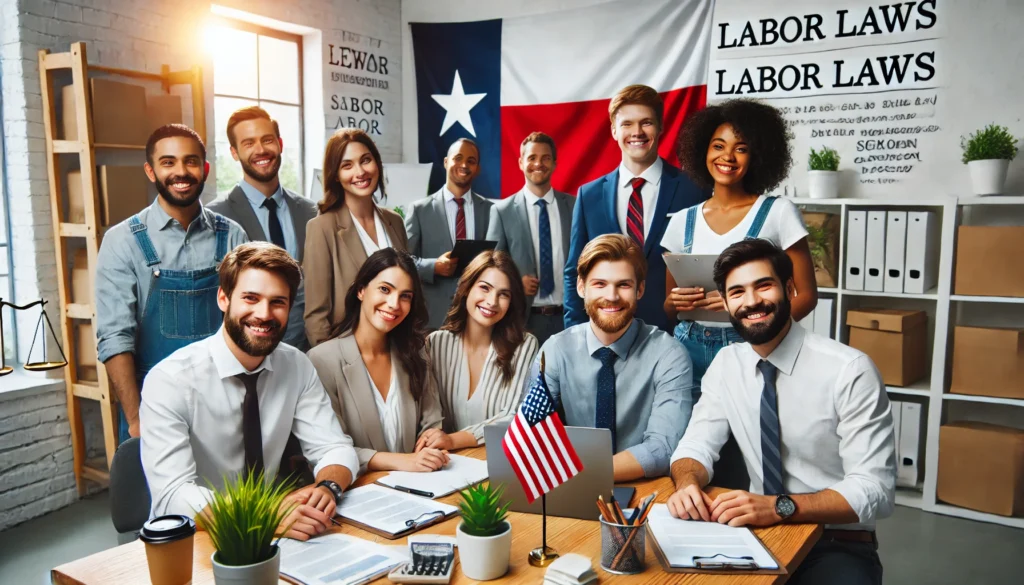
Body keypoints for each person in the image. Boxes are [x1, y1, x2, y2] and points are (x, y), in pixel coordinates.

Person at [667, 239, 895, 585]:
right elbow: (696, 445)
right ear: (726, 303)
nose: (752, 302)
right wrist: (687, 484)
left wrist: (778, 507)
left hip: (834, 542)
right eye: (737, 292)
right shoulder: (727, 365)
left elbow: (875, 489)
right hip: (756, 536)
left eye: (764, 285)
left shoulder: (850, 370)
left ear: (789, 289)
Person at [140, 242, 360, 542]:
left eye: (278, 302)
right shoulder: (169, 381)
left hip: (272, 537)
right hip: (196, 538)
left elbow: (334, 447)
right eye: (251, 298)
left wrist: (328, 488)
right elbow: (173, 496)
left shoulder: (296, 365)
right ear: (223, 298)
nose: (264, 314)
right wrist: (267, 514)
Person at [96, 124, 248, 443]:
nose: (181, 171)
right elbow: (114, 337)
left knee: (232, 493)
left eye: (191, 161)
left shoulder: (232, 236)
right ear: (151, 171)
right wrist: (137, 421)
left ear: (205, 169)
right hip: (153, 407)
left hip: (224, 401)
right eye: (168, 162)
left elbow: (246, 324)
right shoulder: (122, 241)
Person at [663, 98, 817, 397]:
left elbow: (807, 296)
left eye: (741, 148)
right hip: (687, 348)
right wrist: (679, 303)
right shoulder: (682, 222)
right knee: (691, 440)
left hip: (752, 344)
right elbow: (669, 308)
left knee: (753, 440)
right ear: (703, 151)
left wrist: (748, 311)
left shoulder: (778, 212)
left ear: (757, 156)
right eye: (718, 146)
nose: (728, 157)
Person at [534, 234, 693, 481]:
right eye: (599, 284)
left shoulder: (669, 354)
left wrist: (586, 472)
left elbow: (662, 448)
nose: (612, 296)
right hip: (571, 485)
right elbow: (533, 435)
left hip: (643, 488)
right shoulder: (554, 350)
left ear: (640, 289)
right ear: (581, 287)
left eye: (623, 285)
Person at [564, 84, 706, 333]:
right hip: (606, 332)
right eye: (627, 124)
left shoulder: (693, 189)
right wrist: (575, 334)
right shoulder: (590, 195)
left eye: (646, 122)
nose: (637, 132)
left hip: (675, 333)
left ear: (660, 127)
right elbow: (574, 271)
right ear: (614, 131)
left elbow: (705, 264)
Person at [307, 249, 451, 473]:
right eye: (385, 289)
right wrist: (402, 461)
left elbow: (431, 424)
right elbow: (328, 448)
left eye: (405, 296)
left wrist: (432, 441)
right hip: (356, 491)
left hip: (420, 484)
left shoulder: (416, 352)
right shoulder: (322, 360)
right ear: (361, 290)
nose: (394, 304)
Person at [208, 106, 317, 351]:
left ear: (279, 143)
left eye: (267, 140)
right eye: (248, 143)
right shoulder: (217, 216)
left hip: (308, 351)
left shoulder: (311, 212)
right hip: (248, 350)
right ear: (234, 153)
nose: (261, 150)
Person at [303, 128, 408, 347]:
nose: (360, 172)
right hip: (347, 355)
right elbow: (316, 316)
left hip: (397, 349)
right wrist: (330, 368)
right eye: (347, 165)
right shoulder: (321, 228)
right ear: (336, 175)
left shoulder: (395, 221)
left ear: (377, 164)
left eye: (366, 160)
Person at [425, 251, 540, 449]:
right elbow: (429, 415)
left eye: (503, 294)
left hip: (501, 460)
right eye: (485, 288)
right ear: (466, 288)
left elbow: (515, 415)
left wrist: (453, 440)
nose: (492, 301)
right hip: (445, 463)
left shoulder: (524, 345)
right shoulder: (436, 344)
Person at [486, 132, 575, 344]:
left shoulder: (574, 206)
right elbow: (490, 266)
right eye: (532, 158)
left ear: (554, 163)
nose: (538, 163)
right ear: (520, 163)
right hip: (523, 319)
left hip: (569, 317)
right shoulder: (502, 211)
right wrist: (514, 282)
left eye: (545, 158)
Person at [405, 138, 493, 329]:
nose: (464, 165)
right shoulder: (419, 210)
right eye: (458, 158)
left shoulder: (492, 210)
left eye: (471, 161)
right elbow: (402, 261)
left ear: (477, 168)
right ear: (446, 162)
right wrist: (433, 266)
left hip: (478, 318)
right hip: (431, 319)